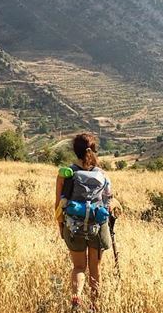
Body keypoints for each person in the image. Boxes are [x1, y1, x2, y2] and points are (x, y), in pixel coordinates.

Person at [54, 133, 120, 312]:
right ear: (94, 150)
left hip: (73, 227)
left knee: (78, 267)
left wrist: (61, 227)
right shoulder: (102, 175)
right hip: (97, 228)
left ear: (75, 151)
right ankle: (94, 306)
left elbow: (58, 205)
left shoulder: (66, 173)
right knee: (95, 268)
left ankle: (76, 301)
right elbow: (109, 201)